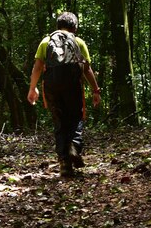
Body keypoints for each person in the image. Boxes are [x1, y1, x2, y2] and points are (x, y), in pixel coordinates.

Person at [27, 12, 101, 177]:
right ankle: (74, 147)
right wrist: (95, 90)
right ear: (75, 27)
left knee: (59, 122)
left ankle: (64, 164)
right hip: (72, 84)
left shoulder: (46, 42)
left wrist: (33, 88)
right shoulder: (78, 41)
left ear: (57, 26)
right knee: (75, 118)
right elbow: (87, 69)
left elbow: (38, 67)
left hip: (52, 85)